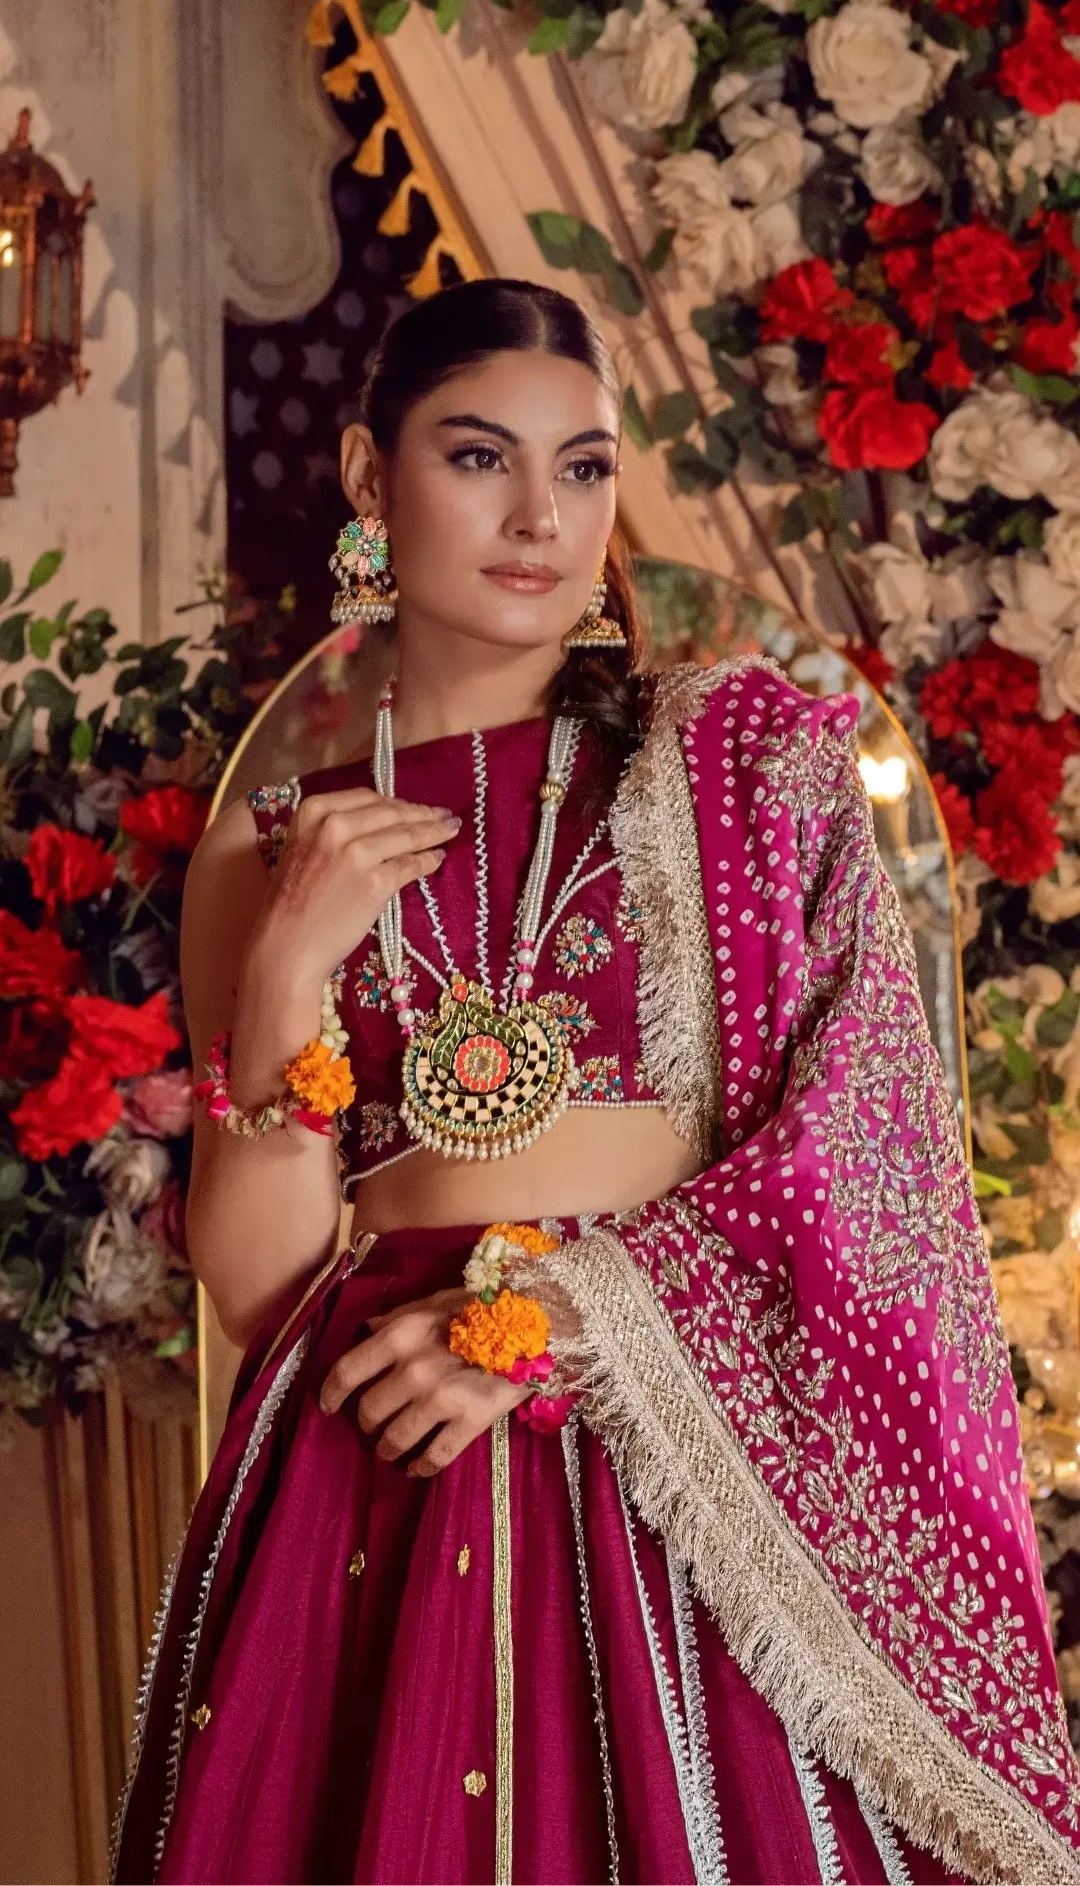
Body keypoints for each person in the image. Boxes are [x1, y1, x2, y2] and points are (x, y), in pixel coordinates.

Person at [108, 278, 1080, 1886]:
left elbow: (865, 1160)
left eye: (583, 468)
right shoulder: (268, 848)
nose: (539, 517)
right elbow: (263, 1287)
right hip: (383, 1466)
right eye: (481, 457)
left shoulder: (751, 770)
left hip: (678, 1472)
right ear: (369, 479)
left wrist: (565, 1316)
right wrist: (286, 969)